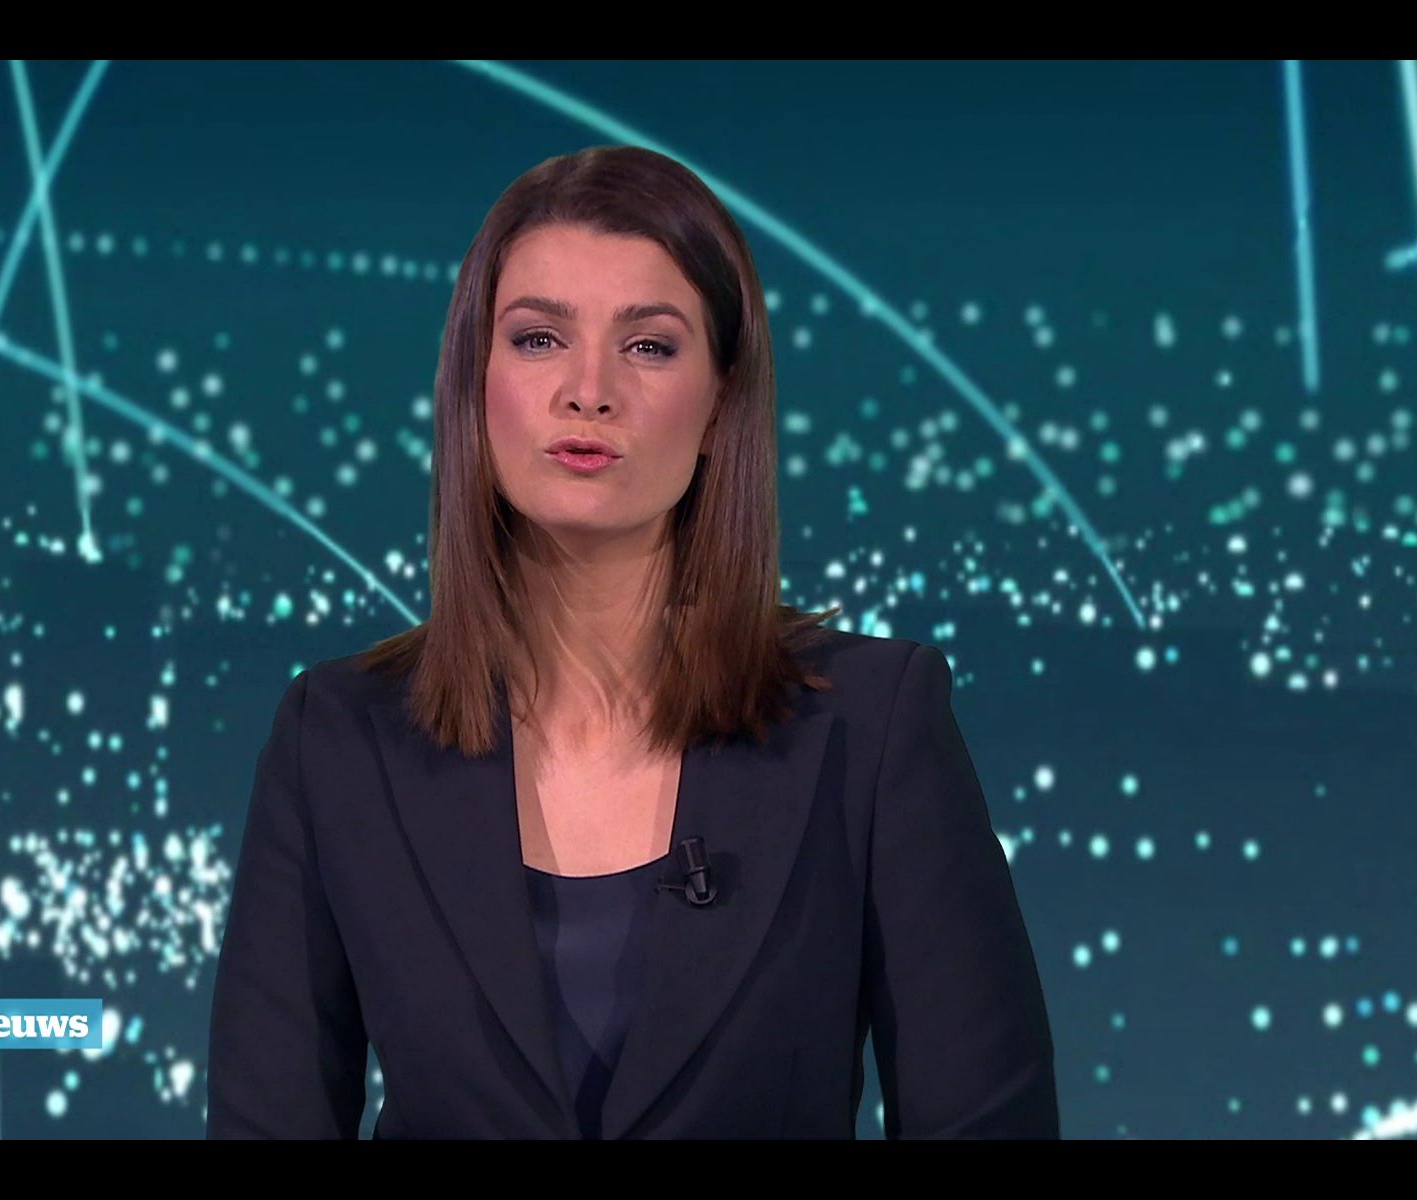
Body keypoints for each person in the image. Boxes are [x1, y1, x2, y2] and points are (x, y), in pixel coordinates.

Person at [205, 144, 1058, 1139]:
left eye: (649, 346)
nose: (589, 390)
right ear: (475, 383)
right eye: (538, 339)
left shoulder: (872, 724)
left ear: (721, 404)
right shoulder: (337, 738)